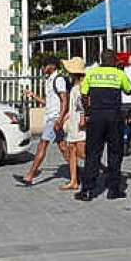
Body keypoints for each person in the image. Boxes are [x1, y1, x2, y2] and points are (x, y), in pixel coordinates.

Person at [76, 49, 131, 201]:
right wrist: (120, 72)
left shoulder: (91, 73)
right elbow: (129, 90)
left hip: (96, 117)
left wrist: (88, 112)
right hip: (114, 117)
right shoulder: (119, 74)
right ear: (114, 60)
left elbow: (84, 95)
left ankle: (87, 190)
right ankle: (113, 190)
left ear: (101, 59)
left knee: (92, 153)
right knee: (115, 153)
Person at [19, 56, 70, 186]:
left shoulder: (58, 80)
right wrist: (32, 95)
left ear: (52, 66)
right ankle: (77, 172)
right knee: (63, 148)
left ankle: (29, 176)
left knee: (42, 145)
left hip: (54, 119)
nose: (42, 68)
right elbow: (48, 102)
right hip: (52, 118)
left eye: (44, 65)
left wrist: (59, 119)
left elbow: (64, 101)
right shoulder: (50, 80)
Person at [59, 57, 87, 191]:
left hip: (78, 125)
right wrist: (65, 118)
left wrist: (82, 119)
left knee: (82, 153)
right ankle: (73, 180)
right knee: (72, 151)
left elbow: (82, 105)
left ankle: (104, 169)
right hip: (73, 123)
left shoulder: (79, 88)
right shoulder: (75, 87)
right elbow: (73, 108)